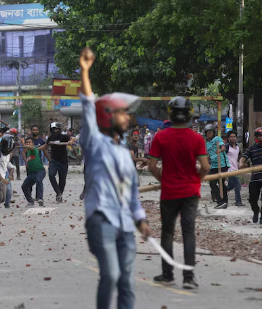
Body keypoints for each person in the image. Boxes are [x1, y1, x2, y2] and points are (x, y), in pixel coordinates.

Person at [79, 47, 151, 309]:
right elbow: (88, 108)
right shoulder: (94, 143)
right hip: (101, 221)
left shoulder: (124, 153)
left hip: (124, 223)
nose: (127, 118)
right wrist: (85, 72)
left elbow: (131, 194)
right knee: (110, 275)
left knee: (127, 281)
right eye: (122, 112)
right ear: (108, 116)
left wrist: (140, 219)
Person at [148, 97, 210, 289]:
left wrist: (163, 179)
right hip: (190, 192)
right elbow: (206, 167)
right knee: (188, 233)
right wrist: (195, 180)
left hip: (169, 192)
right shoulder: (197, 138)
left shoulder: (161, 137)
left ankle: (167, 275)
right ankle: (188, 278)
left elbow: (151, 166)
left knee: (167, 233)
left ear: (170, 113)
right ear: (190, 114)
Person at [38, 122, 74, 203]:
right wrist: (36, 149)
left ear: (59, 129)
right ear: (51, 130)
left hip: (63, 161)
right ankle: (58, 193)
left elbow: (72, 138)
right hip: (54, 160)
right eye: (53, 129)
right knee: (51, 175)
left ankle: (60, 194)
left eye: (57, 129)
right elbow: (46, 146)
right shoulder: (50, 138)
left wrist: (71, 141)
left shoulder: (64, 136)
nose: (55, 131)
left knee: (62, 180)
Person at [205, 124, 230, 209]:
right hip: (214, 165)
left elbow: (224, 148)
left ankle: (223, 202)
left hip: (222, 163)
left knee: (221, 183)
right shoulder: (207, 143)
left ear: (213, 132)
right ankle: (220, 201)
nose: (209, 133)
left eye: (211, 132)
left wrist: (219, 150)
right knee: (212, 183)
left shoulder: (217, 139)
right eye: (208, 132)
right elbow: (208, 154)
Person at [21, 137, 46, 207]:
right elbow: (26, 149)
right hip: (32, 173)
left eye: (30, 142)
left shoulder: (34, 149)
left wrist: (27, 145)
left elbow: (30, 148)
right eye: (27, 142)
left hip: (39, 171)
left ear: (33, 144)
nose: (28, 144)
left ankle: (40, 198)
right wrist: (23, 143)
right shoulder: (28, 152)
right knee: (24, 186)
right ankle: (30, 201)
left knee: (39, 181)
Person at [225, 130, 244, 206]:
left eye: (234, 137)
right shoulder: (227, 147)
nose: (233, 138)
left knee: (230, 186)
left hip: (236, 168)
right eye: (231, 137)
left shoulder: (238, 147)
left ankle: (218, 191)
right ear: (229, 138)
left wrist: (240, 162)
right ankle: (238, 201)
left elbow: (240, 156)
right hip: (229, 169)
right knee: (238, 184)